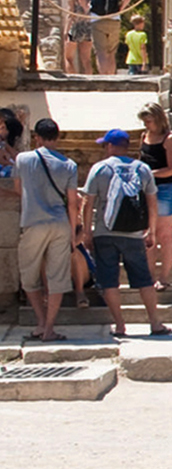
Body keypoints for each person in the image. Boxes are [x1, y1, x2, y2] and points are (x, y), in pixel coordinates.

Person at [83, 128, 172, 337]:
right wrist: (150, 231)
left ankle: (120, 325)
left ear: (111, 146)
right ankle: (155, 323)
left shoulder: (100, 168)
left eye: (105, 145)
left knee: (109, 280)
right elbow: (152, 202)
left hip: (105, 232)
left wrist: (87, 231)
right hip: (133, 233)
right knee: (144, 279)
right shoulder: (142, 169)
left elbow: (87, 203)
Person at [14, 118, 80, 342]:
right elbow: (73, 202)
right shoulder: (69, 164)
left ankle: (41, 322)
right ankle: (49, 327)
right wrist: (73, 232)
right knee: (57, 278)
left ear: (37, 138)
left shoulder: (23, 159)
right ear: (57, 137)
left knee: (29, 277)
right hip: (60, 223)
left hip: (33, 221)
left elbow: (17, 189)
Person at [137, 101, 172, 290]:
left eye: (149, 121)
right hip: (146, 190)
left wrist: (151, 174)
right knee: (148, 235)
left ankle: (163, 277)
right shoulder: (144, 136)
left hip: (164, 189)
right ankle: (149, 275)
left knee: (164, 234)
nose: (146, 125)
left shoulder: (169, 139)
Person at [81, 0, 130, 75]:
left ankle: (103, 79)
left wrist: (87, 9)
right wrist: (120, 9)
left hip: (97, 19)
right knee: (111, 52)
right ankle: (112, 80)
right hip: (114, 20)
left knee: (101, 52)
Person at [62, 0, 92, 74]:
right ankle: (90, 81)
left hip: (74, 27)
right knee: (86, 60)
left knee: (68, 58)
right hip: (87, 27)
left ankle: (72, 80)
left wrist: (66, 30)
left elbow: (70, 13)